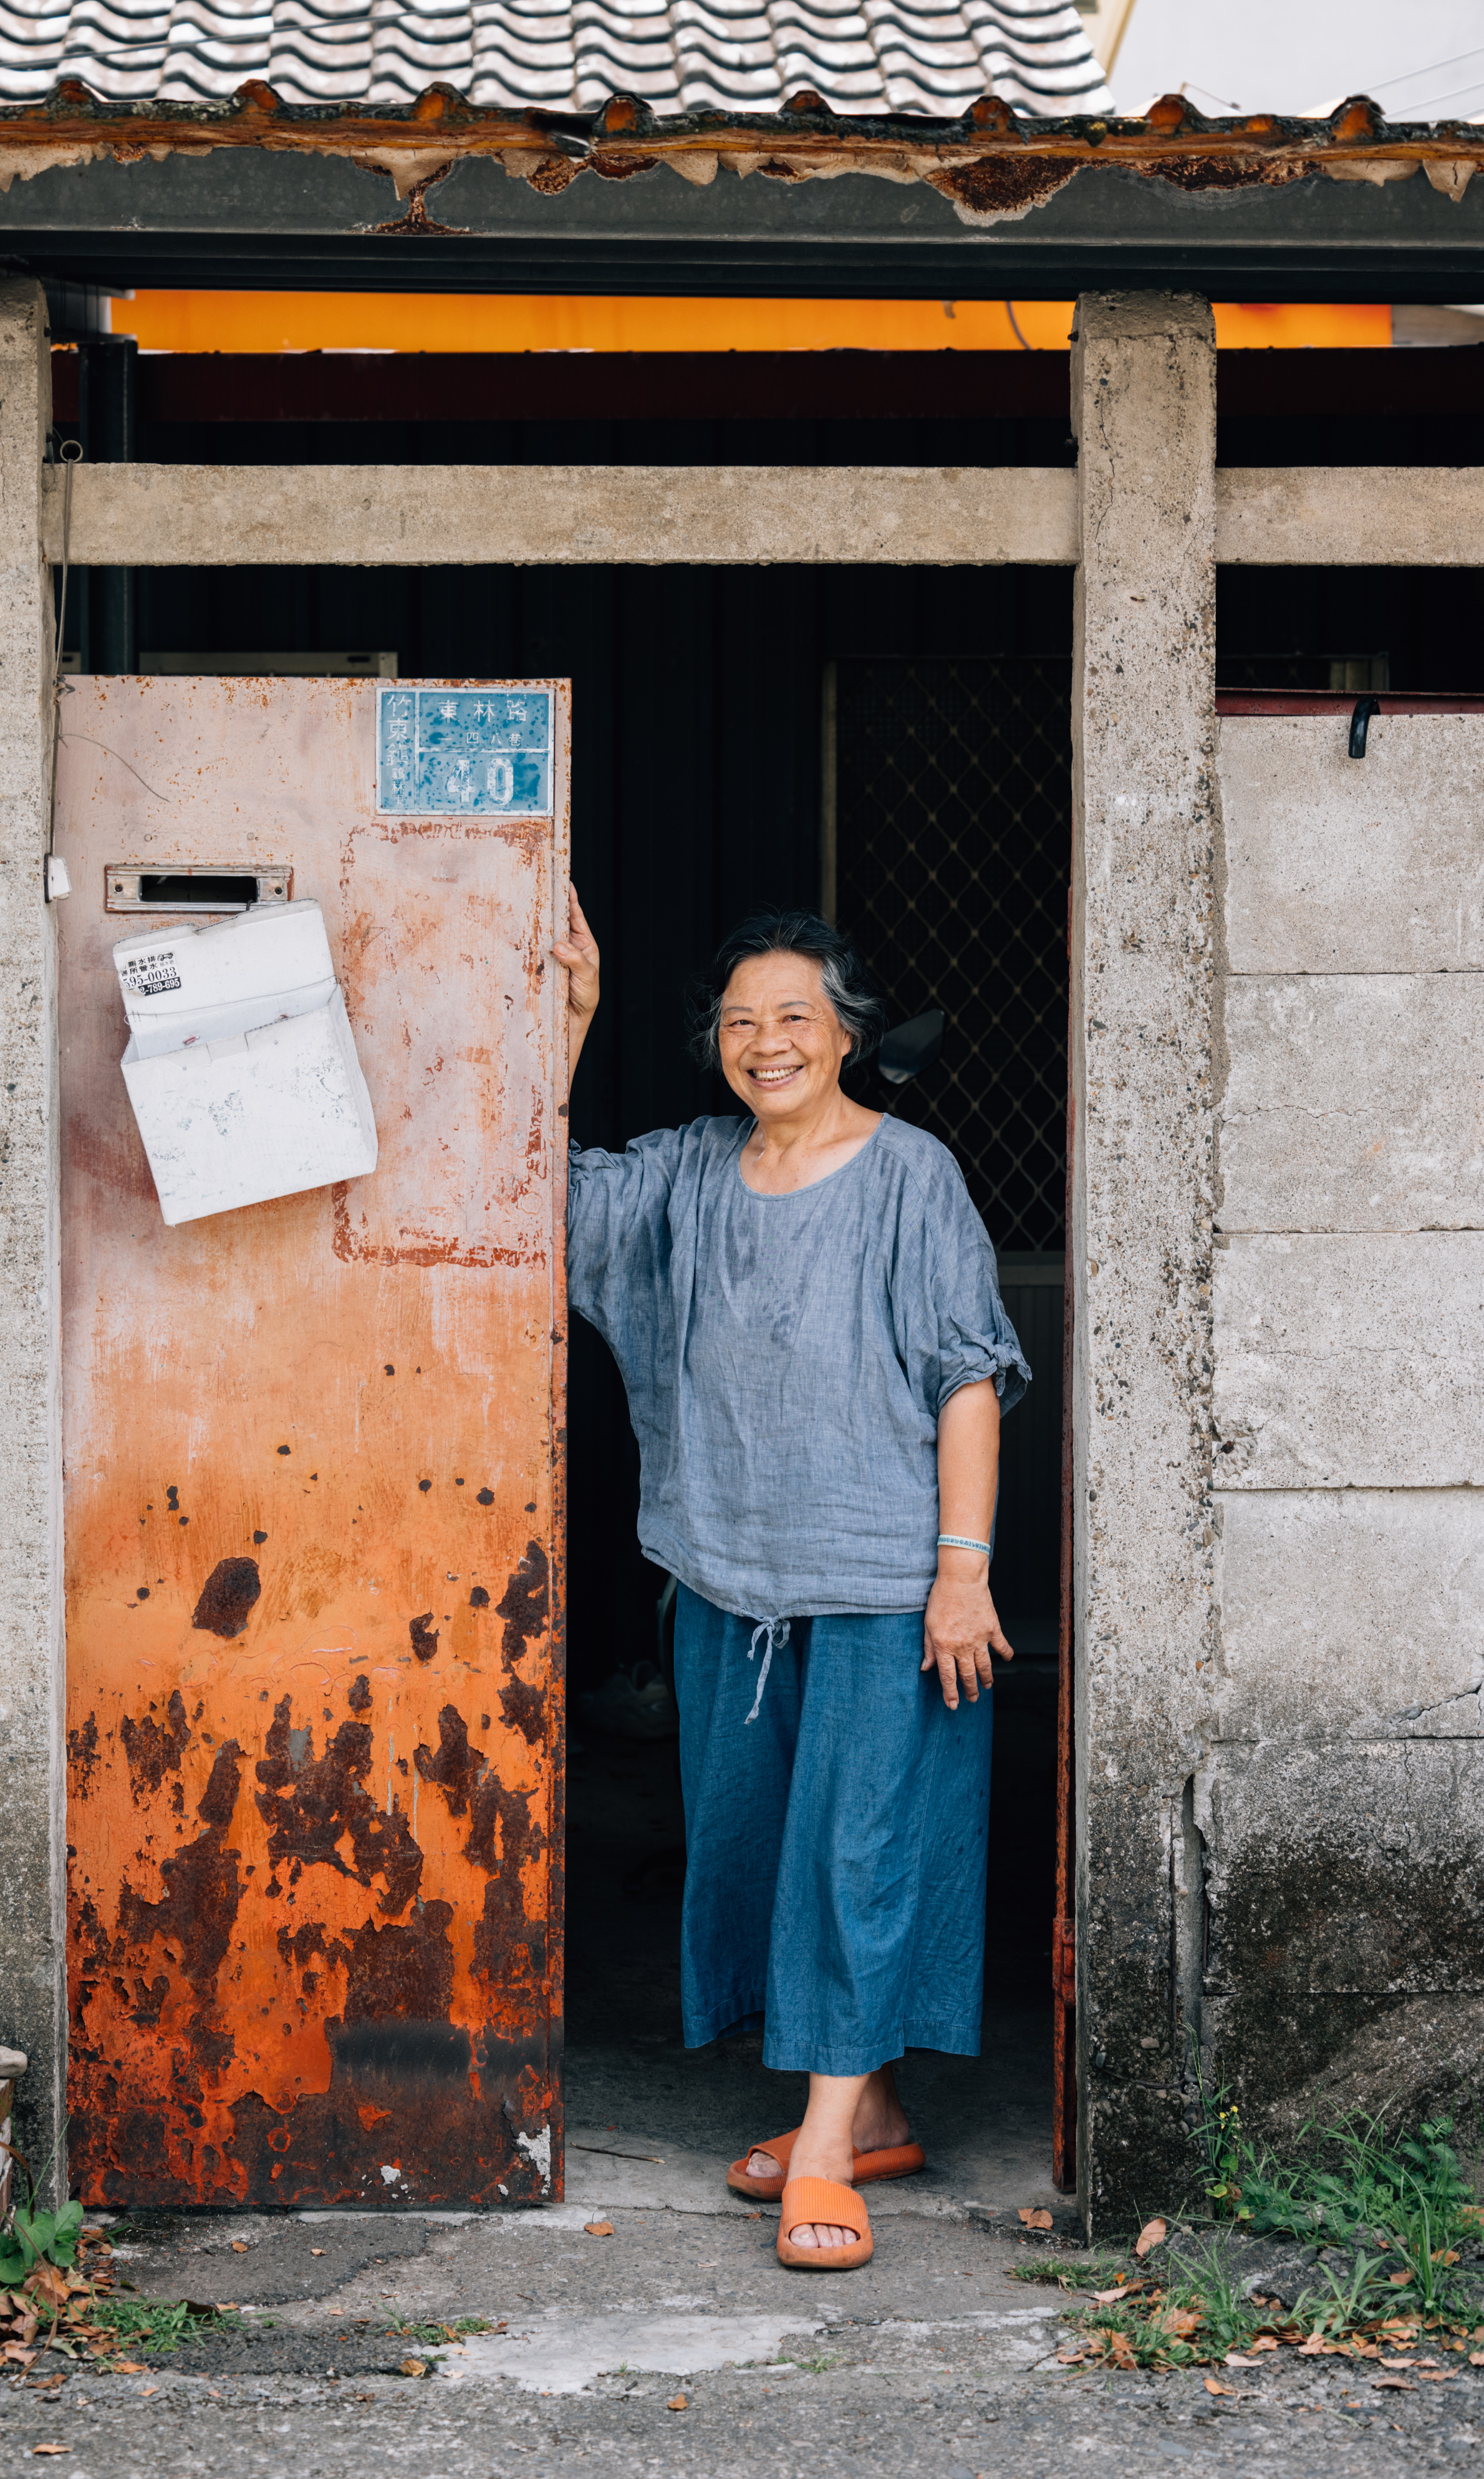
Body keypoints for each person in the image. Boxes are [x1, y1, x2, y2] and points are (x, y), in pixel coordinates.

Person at [554, 891, 1030, 2274]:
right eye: (740, 1022)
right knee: (756, 1844)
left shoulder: (908, 1174)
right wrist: (570, 1020)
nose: (766, 1043)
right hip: (727, 1577)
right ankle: (869, 2104)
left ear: (847, 1037)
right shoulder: (690, 1169)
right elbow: (542, 1196)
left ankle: (823, 2146)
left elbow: (967, 1375)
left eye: (795, 1020)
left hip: (886, 1583)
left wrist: (961, 1575)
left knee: (859, 1851)